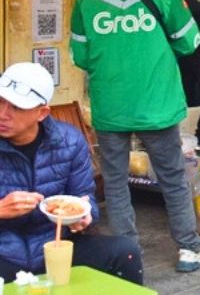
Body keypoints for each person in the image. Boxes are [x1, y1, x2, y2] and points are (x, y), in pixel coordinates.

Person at [70, 0, 200, 272]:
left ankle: (127, 255)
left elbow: (80, 56)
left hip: (111, 108)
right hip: (158, 106)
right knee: (173, 179)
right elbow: (191, 41)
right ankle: (189, 250)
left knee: (116, 183)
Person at [0, 62, 143, 284]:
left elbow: (84, 198)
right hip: (4, 253)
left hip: (56, 246)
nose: (3, 114)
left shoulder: (69, 141)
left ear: (42, 112)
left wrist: (84, 217)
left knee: (124, 251)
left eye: (17, 107)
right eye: (0, 102)